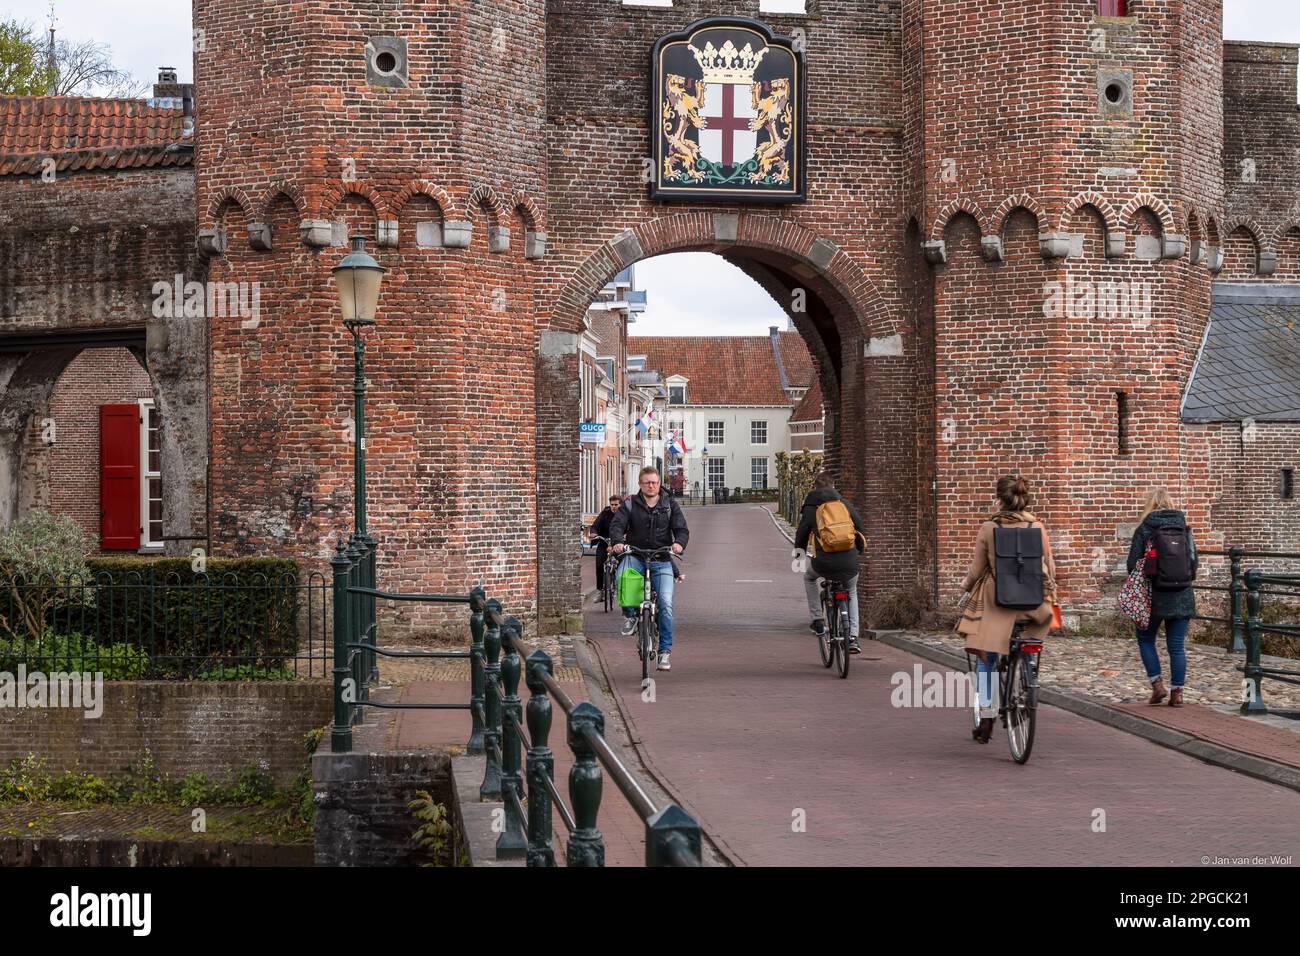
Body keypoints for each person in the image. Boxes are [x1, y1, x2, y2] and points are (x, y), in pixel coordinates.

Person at [956, 475, 1057, 744]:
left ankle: (987, 715)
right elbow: (1049, 564)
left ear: (999, 500)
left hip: (999, 601)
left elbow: (977, 570)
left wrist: (964, 587)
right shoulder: (1037, 525)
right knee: (1029, 642)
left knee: (987, 656)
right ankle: (1027, 672)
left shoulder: (990, 527)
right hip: (1033, 601)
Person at [610, 466, 688, 671]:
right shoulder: (629, 504)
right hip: (635, 555)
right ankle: (630, 616)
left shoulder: (670, 504)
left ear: (659, 483)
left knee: (665, 603)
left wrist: (679, 543)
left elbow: (681, 528)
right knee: (622, 578)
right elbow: (617, 525)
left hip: (661, 558)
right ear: (640, 484)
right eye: (647, 482)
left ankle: (664, 652)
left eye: (654, 482)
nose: (651, 485)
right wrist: (618, 541)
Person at [1125, 487, 1197, 707]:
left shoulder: (1146, 528)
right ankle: (1178, 694)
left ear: (1150, 506)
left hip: (1152, 595)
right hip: (1182, 593)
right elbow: (1194, 564)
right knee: (1176, 646)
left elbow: (1132, 564)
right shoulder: (1184, 528)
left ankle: (1157, 685)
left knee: (1146, 639)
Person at [795, 472, 867, 653]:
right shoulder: (844, 504)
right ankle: (852, 638)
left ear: (815, 488)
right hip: (849, 561)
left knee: (809, 578)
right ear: (833, 487)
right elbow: (859, 527)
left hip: (824, 563)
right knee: (851, 590)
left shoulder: (811, 508)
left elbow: (802, 534)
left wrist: (799, 555)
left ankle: (818, 620)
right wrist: (857, 550)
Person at [589, 494, 623, 598]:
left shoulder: (624, 515)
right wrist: (594, 532)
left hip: (619, 543)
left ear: (620, 505)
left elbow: (630, 527)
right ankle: (600, 590)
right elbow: (596, 525)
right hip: (604, 542)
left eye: (616, 504)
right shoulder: (605, 513)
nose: (614, 507)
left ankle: (619, 587)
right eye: (612, 504)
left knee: (622, 564)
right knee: (599, 564)